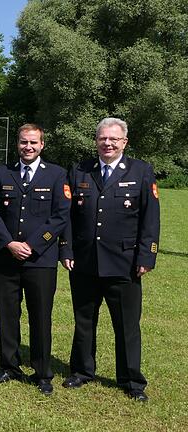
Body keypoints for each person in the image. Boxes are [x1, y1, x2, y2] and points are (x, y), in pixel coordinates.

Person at [60, 117, 159, 402]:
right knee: (84, 320)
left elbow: (150, 219)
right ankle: (81, 371)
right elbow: (67, 216)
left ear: (124, 142)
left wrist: (147, 256)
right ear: (96, 141)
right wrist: (66, 250)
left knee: (127, 325)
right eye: (103, 138)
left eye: (114, 139)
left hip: (125, 262)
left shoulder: (141, 171)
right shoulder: (80, 170)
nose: (108, 143)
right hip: (85, 261)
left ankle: (131, 380)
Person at [0, 124, 70, 395]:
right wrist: (9, 243)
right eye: (24, 142)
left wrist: (32, 245)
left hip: (41, 260)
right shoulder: (3, 172)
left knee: (41, 316)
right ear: (17, 144)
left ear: (42, 145)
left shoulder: (57, 174)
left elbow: (60, 216)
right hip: (6, 258)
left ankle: (43, 372)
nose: (28, 147)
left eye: (33, 142)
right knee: (7, 314)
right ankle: (9, 366)